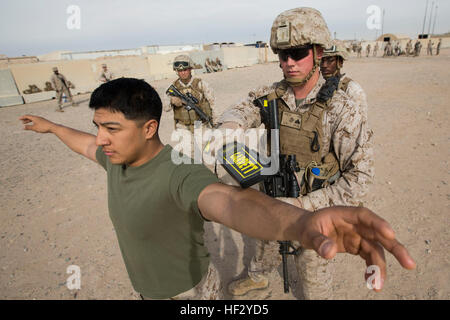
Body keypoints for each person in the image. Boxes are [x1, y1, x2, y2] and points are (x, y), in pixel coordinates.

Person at [19, 77, 415, 300]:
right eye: (99, 128)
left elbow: (231, 202)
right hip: (148, 291)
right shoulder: (115, 157)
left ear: (149, 129)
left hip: (186, 293)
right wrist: (53, 128)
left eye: (112, 129)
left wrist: (301, 222)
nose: (101, 139)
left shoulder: (179, 173)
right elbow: (86, 145)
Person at [218, 7, 375, 299]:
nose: (289, 63)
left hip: (316, 211)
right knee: (264, 246)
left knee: (314, 277)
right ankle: (258, 278)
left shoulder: (342, 108)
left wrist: (305, 203)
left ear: (318, 52)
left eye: (298, 53)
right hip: (275, 198)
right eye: (282, 55)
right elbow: (243, 107)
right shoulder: (271, 95)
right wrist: (232, 124)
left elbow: (360, 177)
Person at [165, 55, 216, 133]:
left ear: (190, 69)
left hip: (199, 123)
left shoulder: (201, 84)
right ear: (176, 71)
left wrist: (215, 122)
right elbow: (166, 108)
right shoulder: (173, 87)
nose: (183, 73)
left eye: (185, 70)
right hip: (182, 127)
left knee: (201, 144)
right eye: (179, 70)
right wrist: (171, 100)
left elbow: (213, 104)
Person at [320, 40, 368, 118]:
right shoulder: (318, 85)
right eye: (321, 60)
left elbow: (361, 122)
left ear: (340, 62)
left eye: (330, 60)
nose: (324, 65)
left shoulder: (352, 89)